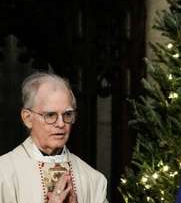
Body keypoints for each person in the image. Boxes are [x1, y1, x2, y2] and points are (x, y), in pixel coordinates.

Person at [0, 72, 108, 203]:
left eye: (67, 114)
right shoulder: (4, 173)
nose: (61, 124)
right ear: (27, 118)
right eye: (50, 115)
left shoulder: (93, 180)